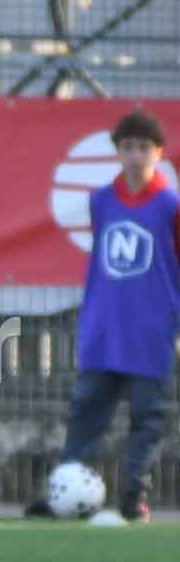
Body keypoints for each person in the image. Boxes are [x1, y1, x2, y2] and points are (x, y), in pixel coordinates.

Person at [25, 110, 178, 523]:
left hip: (152, 328)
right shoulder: (100, 200)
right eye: (127, 147)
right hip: (105, 326)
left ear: (159, 153)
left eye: (143, 148)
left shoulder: (170, 204)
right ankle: (64, 492)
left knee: (146, 416)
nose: (135, 156)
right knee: (86, 411)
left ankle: (134, 495)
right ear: (117, 151)